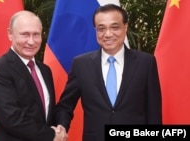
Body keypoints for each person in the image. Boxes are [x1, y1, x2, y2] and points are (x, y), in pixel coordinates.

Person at [55, 4, 162, 141]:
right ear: (96, 31)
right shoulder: (80, 64)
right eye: (101, 29)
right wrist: (61, 127)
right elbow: (65, 105)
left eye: (114, 27)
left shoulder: (146, 63)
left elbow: (154, 112)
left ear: (125, 27)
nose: (108, 34)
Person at [0, 10, 67, 141]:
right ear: (10, 34)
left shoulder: (45, 70)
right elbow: (11, 118)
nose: (31, 41)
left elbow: (46, 113)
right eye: (24, 35)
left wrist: (61, 126)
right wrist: (51, 135)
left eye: (36, 35)